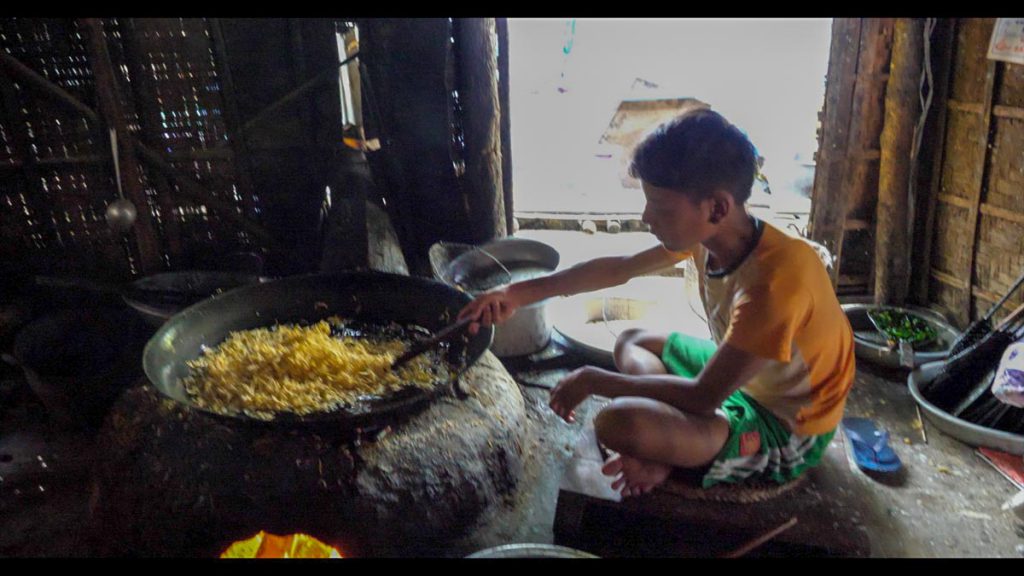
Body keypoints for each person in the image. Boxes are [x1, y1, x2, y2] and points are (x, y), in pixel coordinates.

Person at [457, 108, 855, 497]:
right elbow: (620, 269)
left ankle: (671, 450)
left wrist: (594, 380)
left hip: (784, 423)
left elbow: (703, 397)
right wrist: (517, 294)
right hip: (742, 381)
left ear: (717, 207)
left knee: (618, 422)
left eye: (660, 207)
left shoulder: (774, 284)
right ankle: (675, 445)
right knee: (632, 340)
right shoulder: (715, 237)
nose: (647, 217)